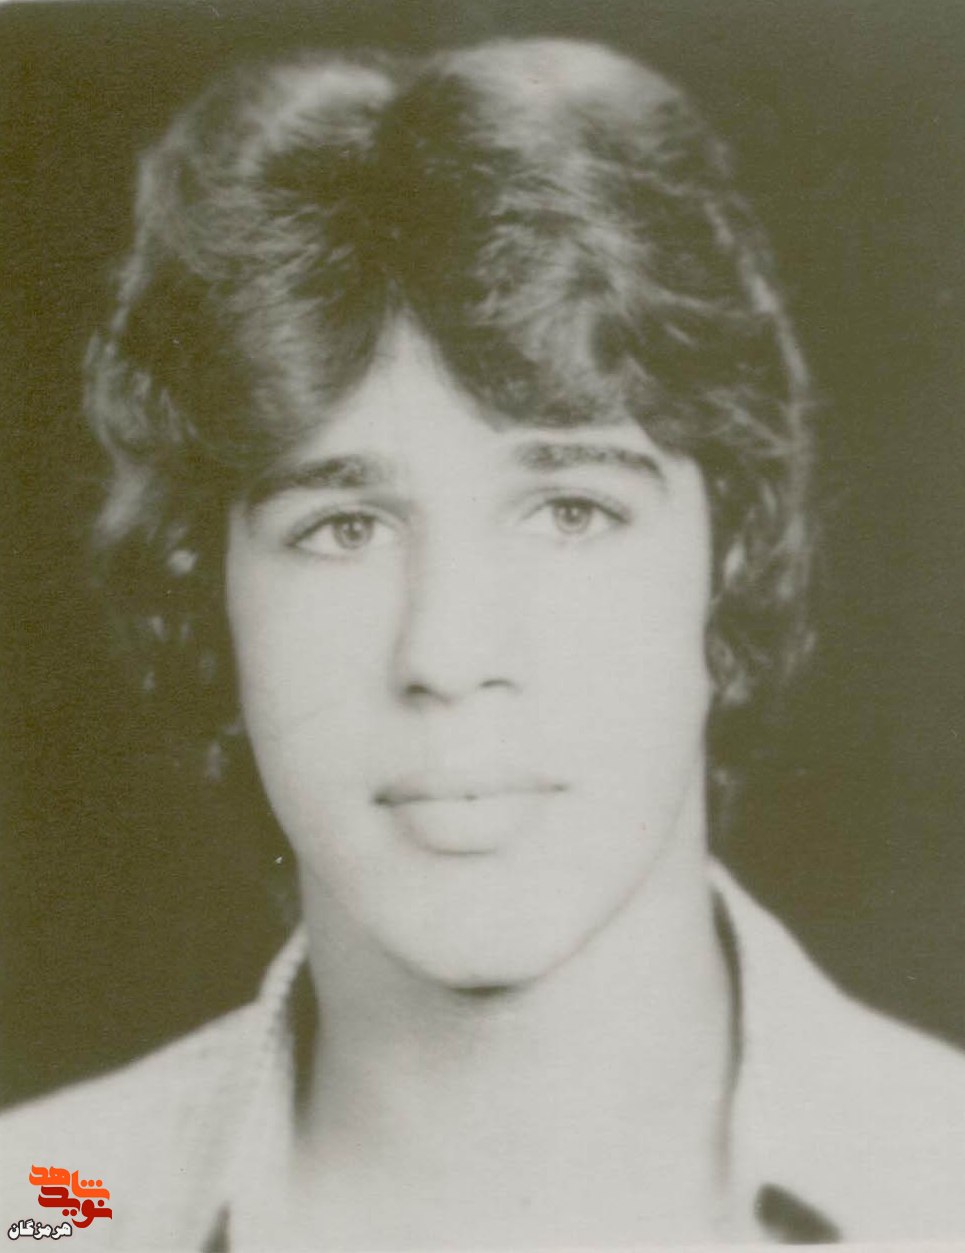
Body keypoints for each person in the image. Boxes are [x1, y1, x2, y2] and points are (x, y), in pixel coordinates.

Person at [3, 36, 965, 1250]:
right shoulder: (52, 1204)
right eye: (343, 527)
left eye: (570, 511)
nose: (446, 653)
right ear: (212, 595)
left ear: (729, 558)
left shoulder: (940, 1186)